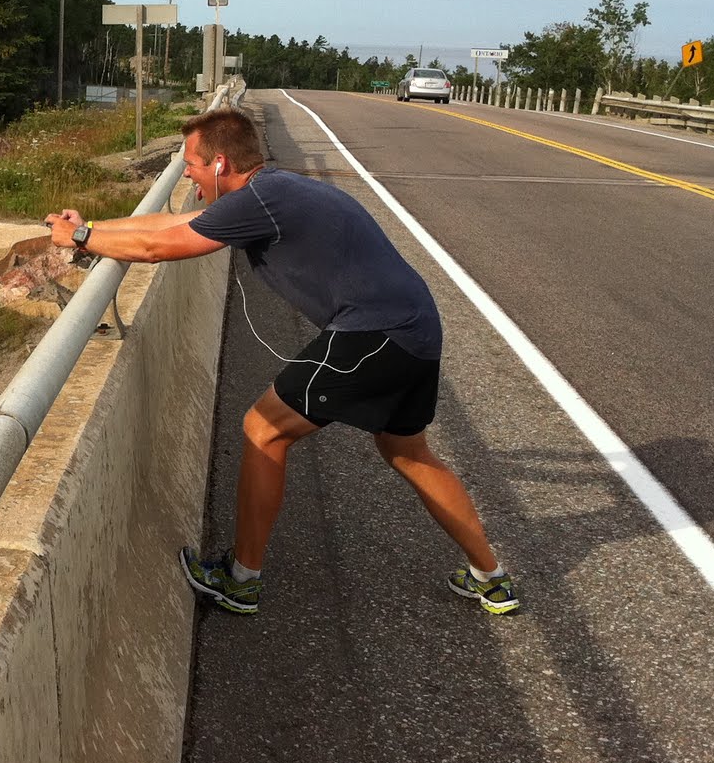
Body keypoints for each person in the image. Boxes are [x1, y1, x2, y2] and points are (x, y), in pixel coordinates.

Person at [44, 106, 518, 616]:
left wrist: (81, 240)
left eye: (192, 166)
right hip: (415, 329)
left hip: (377, 333)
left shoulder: (261, 200)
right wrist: (91, 226)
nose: (187, 175)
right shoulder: (272, 190)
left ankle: (241, 580)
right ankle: (491, 579)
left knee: (264, 429)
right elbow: (171, 221)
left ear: (220, 164)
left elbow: (160, 247)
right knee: (408, 452)